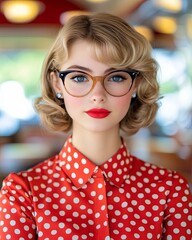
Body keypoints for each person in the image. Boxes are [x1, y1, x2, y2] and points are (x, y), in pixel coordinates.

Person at [0, 13, 191, 240]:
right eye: (79, 77)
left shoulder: (170, 190)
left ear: (136, 85)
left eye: (116, 77)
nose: (97, 95)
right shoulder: (22, 193)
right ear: (56, 83)